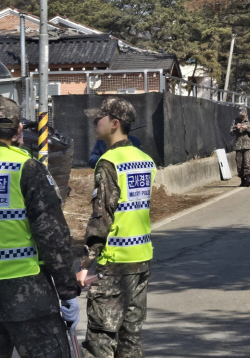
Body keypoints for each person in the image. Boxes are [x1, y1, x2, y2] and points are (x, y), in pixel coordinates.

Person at [0, 97, 80, 358]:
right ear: (19, 130)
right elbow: (52, 235)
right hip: (27, 293)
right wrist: (67, 290)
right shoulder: (25, 168)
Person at [77, 96, 156, 358]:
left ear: (114, 123)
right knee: (131, 337)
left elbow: (102, 217)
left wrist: (86, 263)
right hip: (141, 258)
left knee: (101, 338)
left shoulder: (109, 162)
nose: (93, 123)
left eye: (98, 118)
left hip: (115, 263)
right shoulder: (144, 159)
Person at [231, 106, 250, 187]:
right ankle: (242, 180)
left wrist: (247, 128)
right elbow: (231, 132)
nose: (242, 116)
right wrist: (236, 128)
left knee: (247, 163)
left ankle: (248, 179)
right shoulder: (236, 121)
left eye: (243, 115)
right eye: (240, 115)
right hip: (238, 146)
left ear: (246, 113)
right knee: (239, 164)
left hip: (247, 145)